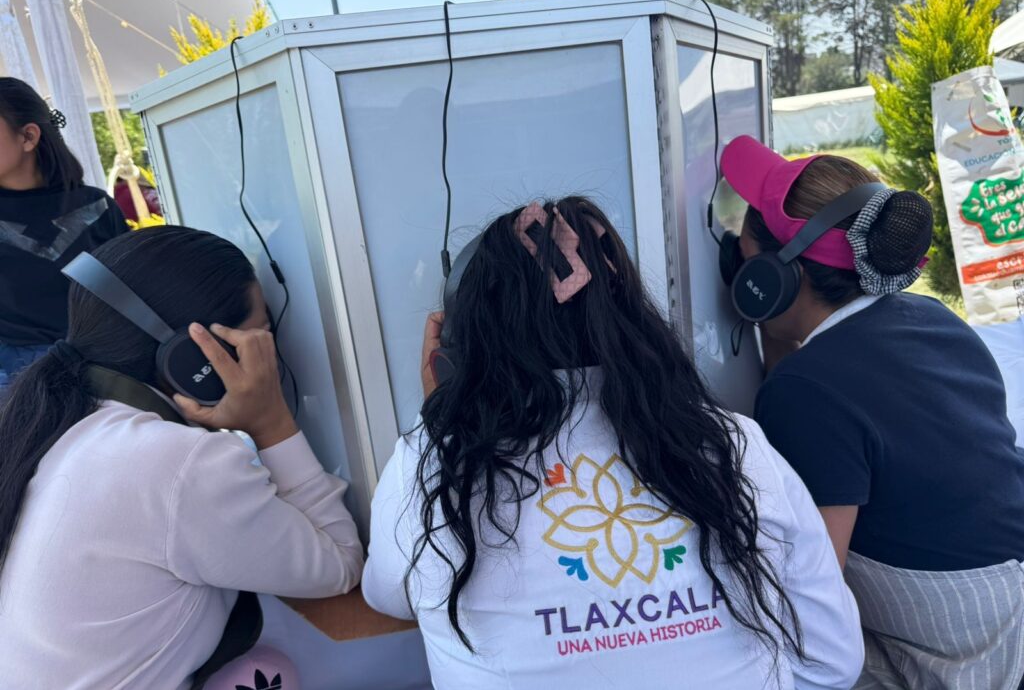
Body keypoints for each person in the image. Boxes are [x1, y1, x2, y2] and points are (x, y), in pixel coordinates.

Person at [362, 197, 864, 689]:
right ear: (633, 320)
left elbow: (389, 596)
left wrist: (443, 423)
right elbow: (832, 664)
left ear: (453, 358)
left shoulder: (429, 466)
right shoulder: (736, 446)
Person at [0, 226, 364, 689]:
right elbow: (338, 565)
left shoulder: (67, 428)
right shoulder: (172, 461)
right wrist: (271, 420)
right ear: (197, 360)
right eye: (260, 339)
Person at [720, 135, 1024, 688]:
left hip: (967, 649)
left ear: (770, 280)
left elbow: (816, 588)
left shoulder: (806, 391)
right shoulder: (933, 318)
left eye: (740, 259)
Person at [0, 77, 129, 394]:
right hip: (16, 383)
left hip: (106, 369)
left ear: (28, 136)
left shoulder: (97, 207)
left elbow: (132, 292)